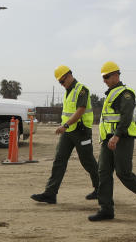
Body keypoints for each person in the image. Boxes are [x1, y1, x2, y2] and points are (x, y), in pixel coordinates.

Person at [89, 61, 136, 221]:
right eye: (103, 77)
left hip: (122, 139)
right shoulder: (110, 94)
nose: (104, 80)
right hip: (107, 139)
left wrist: (117, 136)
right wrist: (108, 138)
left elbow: (126, 117)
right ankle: (106, 209)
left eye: (106, 76)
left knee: (123, 173)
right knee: (103, 172)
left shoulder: (125, 94)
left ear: (116, 75)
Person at [31, 65, 100, 204]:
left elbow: (80, 110)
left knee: (88, 162)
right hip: (68, 132)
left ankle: (102, 189)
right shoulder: (68, 91)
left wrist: (66, 125)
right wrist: (65, 126)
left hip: (81, 132)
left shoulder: (81, 89)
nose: (62, 84)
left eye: (62, 81)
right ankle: (50, 194)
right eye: (60, 83)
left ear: (69, 76)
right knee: (59, 160)